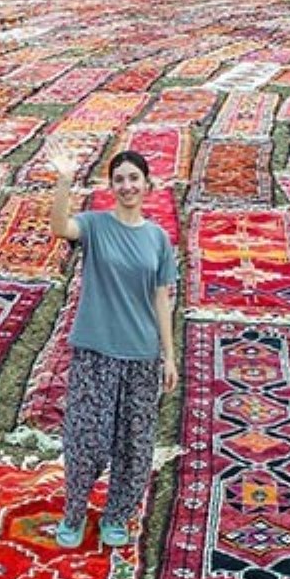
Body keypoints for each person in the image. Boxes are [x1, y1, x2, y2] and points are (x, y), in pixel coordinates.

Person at [47, 143, 178, 549]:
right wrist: (65, 181)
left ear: (148, 185)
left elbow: (162, 298)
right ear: (111, 185)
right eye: (119, 179)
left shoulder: (158, 239)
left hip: (141, 354)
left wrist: (169, 356)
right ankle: (74, 513)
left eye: (133, 178)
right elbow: (59, 227)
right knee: (87, 435)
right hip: (95, 351)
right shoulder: (95, 226)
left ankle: (117, 515)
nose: (126, 186)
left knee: (134, 442)